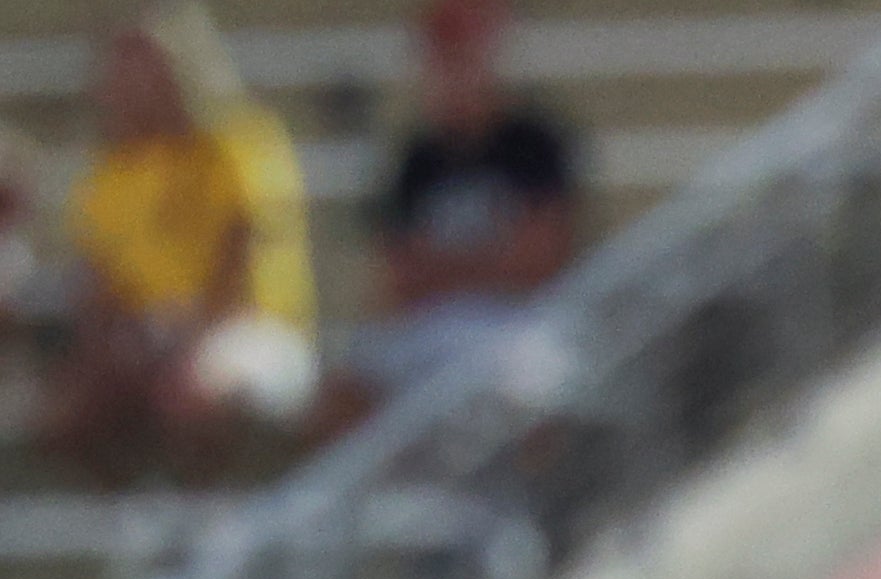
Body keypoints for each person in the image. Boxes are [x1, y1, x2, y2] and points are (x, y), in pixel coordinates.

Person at [51, 10, 310, 480]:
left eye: (145, 64)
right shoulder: (111, 172)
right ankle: (138, 521)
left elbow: (240, 265)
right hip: (160, 336)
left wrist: (184, 339)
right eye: (122, 66)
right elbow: (102, 289)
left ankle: (211, 523)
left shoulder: (240, 141)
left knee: (190, 391)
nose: (130, 81)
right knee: (73, 405)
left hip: (252, 330)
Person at [350, 0, 572, 407]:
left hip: (512, 322)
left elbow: (539, 261)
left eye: (464, 48)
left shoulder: (534, 144)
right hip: (432, 326)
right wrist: (487, 261)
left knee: (529, 391)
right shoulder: (418, 158)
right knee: (345, 391)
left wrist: (441, 268)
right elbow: (397, 279)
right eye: (443, 51)